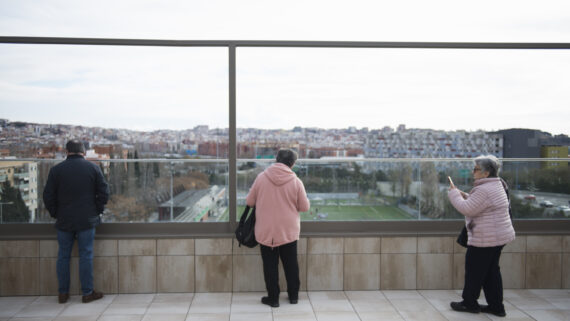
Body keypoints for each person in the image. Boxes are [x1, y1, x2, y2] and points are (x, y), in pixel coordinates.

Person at [447, 155, 515, 317]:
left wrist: (454, 194)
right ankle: (496, 307)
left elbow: (467, 210)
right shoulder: (497, 184)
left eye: (476, 169)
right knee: (491, 272)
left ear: (486, 173)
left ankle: (469, 303)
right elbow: (481, 205)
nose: (473, 172)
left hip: (486, 239)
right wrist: (465, 195)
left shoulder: (484, 189)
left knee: (474, 271)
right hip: (498, 237)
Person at [43, 139, 109, 304]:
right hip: (87, 219)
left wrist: (55, 213)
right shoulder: (93, 168)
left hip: (64, 219)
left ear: (67, 152)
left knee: (63, 256)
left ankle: (63, 293)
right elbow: (104, 192)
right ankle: (87, 293)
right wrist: (98, 210)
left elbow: (48, 196)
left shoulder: (56, 170)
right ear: (83, 152)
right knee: (86, 255)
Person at [246, 149, 310, 307]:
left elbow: (250, 202)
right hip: (288, 230)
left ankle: (273, 298)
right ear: (292, 164)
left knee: (269, 266)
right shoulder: (296, 182)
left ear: (276, 159)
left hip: (266, 230)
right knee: (291, 264)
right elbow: (304, 207)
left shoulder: (261, 178)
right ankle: (293, 296)